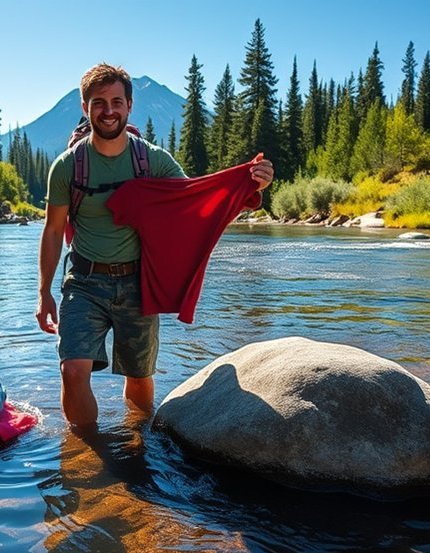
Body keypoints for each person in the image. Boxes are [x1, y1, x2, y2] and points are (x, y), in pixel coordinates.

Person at [36, 63, 273, 427]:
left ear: (129, 106)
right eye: (99, 103)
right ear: (85, 107)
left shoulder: (152, 160)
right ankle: (86, 449)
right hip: (83, 281)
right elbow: (53, 232)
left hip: (137, 284)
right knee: (72, 370)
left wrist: (250, 187)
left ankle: (136, 443)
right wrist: (44, 293)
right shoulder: (69, 166)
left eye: (117, 102)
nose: (109, 111)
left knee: (139, 377)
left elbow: (194, 206)